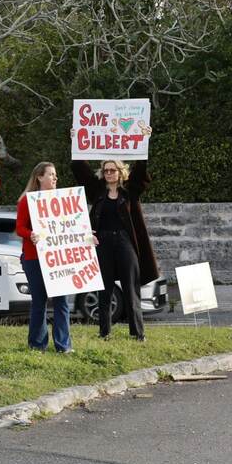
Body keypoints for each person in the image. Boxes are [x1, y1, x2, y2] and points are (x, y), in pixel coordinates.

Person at [71, 133, 159, 341]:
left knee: (130, 287)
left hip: (125, 242)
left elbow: (141, 171)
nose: (109, 173)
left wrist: (143, 140)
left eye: (113, 170)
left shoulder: (130, 192)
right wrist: (75, 142)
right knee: (104, 288)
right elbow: (79, 170)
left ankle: (138, 333)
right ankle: (104, 332)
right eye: (106, 170)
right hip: (103, 243)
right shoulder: (97, 191)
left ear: (120, 173)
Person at [15, 162, 72, 353]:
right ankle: (37, 345)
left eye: (55, 175)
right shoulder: (27, 201)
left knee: (61, 302)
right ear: (39, 177)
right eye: (51, 174)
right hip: (34, 258)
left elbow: (71, 226)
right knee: (39, 302)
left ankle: (63, 345)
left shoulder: (64, 200)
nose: (55, 178)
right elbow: (19, 227)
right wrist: (30, 234)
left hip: (59, 258)